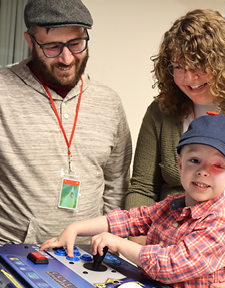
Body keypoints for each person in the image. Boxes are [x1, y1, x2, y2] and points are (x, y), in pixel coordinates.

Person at [125, 9, 225, 288]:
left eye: (200, 64)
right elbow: (142, 188)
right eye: (178, 67)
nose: (189, 78)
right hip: (175, 240)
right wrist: (145, 256)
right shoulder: (160, 111)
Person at [40, 112, 225, 287]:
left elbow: (170, 265)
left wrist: (118, 244)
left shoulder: (221, 223)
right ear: (180, 164)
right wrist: (75, 228)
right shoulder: (171, 205)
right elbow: (129, 219)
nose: (203, 171)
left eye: (218, 165)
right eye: (194, 160)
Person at [0, 0, 132, 245]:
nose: (67, 58)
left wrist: (110, 242)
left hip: (86, 259)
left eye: (76, 44)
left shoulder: (109, 102)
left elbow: (117, 185)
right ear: (30, 42)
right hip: (13, 254)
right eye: (52, 46)